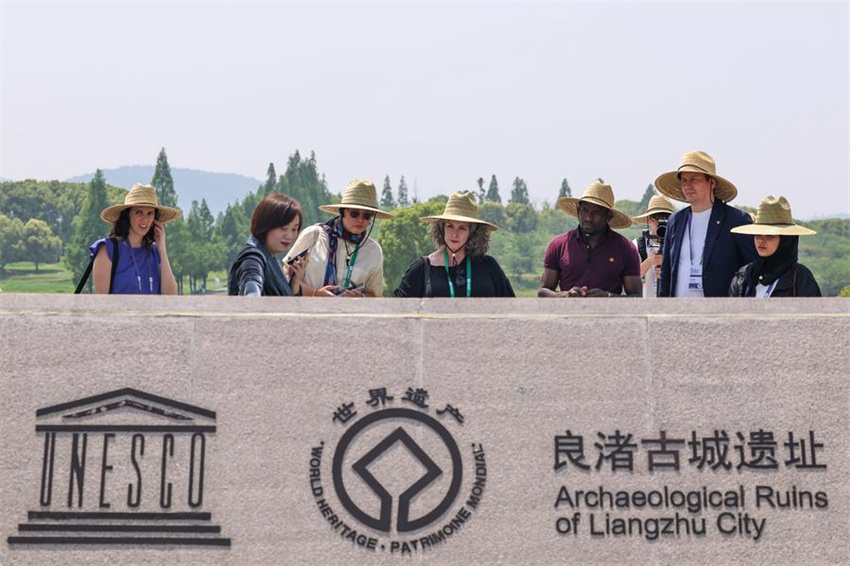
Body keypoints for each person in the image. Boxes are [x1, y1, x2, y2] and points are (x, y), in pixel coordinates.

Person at [655, 150, 757, 297]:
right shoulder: (675, 221)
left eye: (694, 179)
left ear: (712, 182)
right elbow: (666, 273)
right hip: (678, 312)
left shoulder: (736, 220)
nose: (687, 185)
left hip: (720, 313)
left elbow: (753, 269)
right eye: (684, 180)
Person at [284, 179, 393, 297]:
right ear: (342, 212)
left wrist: (361, 297)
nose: (360, 220)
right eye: (354, 213)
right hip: (306, 312)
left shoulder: (373, 250)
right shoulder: (313, 235)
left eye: (366, 215)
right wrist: (316, 294)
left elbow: (375, 295)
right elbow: (285, 276)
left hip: (349, 314)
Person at [394, 191, 515, 298]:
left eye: (462, 228)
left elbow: (513, 310)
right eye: (450, 226)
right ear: (441, 229)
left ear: (473, 233)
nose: (454, 234)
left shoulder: (489, 266)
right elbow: (396, 311)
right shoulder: (422, 267)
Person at [539, 181, 641, 298]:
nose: (588, 217)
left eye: (596, 212)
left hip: (609, 315)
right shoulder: (558, 245)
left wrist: (607, 297)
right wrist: (565, 295)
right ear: (578, 211)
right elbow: (543, 291)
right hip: (568, 315)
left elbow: (636, 296)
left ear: (608, 216)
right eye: (584, 210)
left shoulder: (625, 248)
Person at [91, 183, 180, 294]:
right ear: (127, 215)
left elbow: (171, 295)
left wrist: (162, 248)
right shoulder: (108, 250)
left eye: (150, 214)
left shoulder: (155, 252)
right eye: (139, 212)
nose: (145, 219)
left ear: (155, 219)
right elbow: (101, 301)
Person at [729, 196, 821, 297]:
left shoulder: (800, 277)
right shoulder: (744, 276)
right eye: (758, 234)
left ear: (785, 240)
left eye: (769, 236)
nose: (761, 240)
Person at [228, 193, 308, 296]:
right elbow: (252, 284)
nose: (289, 235)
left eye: (294, 229)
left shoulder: (270, 256)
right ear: (266, 225)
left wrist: (294, 284)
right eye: (283, 228)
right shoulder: (252, 257)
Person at [631, 194, 676, 298]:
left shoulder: (679, 243)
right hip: (647, 307)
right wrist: (649, 262)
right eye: (655, 217)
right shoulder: (638, 245)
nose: (659, 222)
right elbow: (630, 278)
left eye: (665, 217)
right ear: (649, 219)